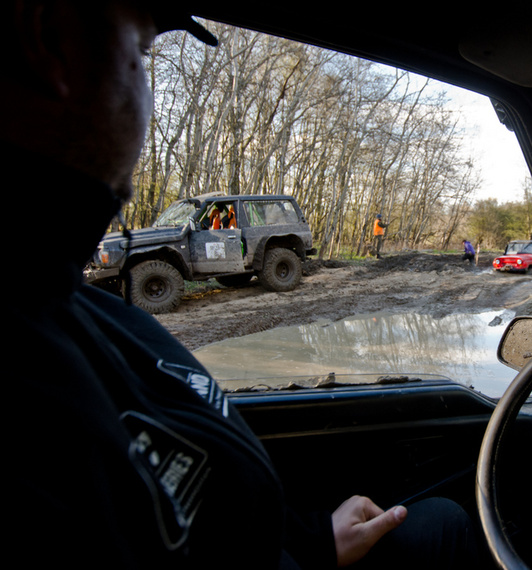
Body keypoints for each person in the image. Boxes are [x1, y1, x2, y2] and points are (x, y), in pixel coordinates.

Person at [3, 2, 479, 567]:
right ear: (48, 40)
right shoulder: (36, 354)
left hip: (297, 543)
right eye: (140, 52)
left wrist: (311, 543)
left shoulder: (75, 314)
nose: (148, 91)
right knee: (446, 523)